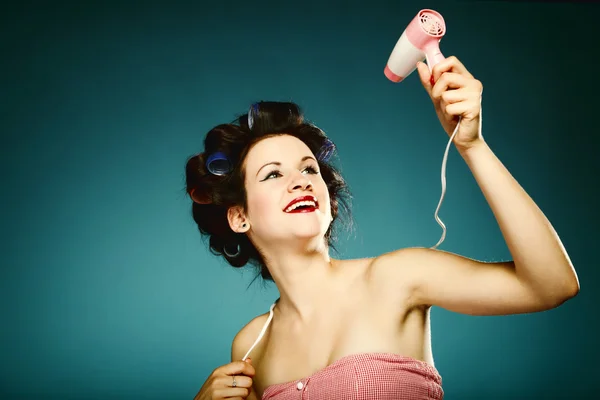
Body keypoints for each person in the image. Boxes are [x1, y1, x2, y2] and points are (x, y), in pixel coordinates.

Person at [186, 56, 579, 400]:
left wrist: (471, 145)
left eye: (309, 168)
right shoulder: (251, 344)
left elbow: (552, 284)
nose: (301, 181)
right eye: (273, 174)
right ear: (240, 217)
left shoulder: (399, 276)